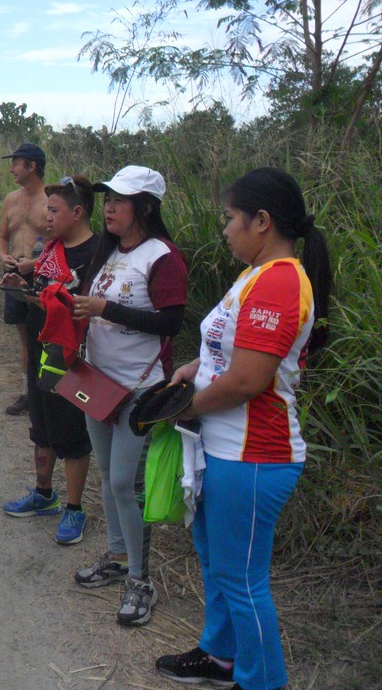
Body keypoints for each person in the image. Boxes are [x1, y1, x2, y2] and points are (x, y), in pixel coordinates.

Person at [155, 168, 332, 690]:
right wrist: (194, 368)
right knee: (217, 563)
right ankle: (220, 655)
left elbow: (249, 379)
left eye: (230, 218)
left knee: (243, 580)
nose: (225, 229)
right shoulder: (255, 274)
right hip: (227, 448)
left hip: (255, 456)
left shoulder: (279, 281)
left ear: (262, 221)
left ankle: (262, 681)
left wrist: (185, 408)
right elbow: (229, 353)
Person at [71, 165, 189, 627]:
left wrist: (107, 308)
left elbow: (171, 322)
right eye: (109, 199)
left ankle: (141, 580)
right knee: (107, 476)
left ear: (146, 208)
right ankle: (118, 557)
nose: (110, 207)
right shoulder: (108, 250)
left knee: (125, 483)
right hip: (96, 381)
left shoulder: (162, 257)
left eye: (120, 200)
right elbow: (90, 304)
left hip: (140, 388)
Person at [0, 176, 97, 545]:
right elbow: (43, 292)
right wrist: (24, 290)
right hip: (41, 349)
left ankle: (74, 507)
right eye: (47, 210)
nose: (47, 217)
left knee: (71, 431)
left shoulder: (97, 253)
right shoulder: (50, 249)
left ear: (78, 212)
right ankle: (44, 494)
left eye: (54, 211)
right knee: (40, 425)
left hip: (71, 357)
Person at [0, 143, 52, 416]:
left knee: (48, 335)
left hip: (45, 276)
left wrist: (37, 263)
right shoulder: (11, 199)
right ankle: (29, 393)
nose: (11, 169)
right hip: (15, 275)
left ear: (31, 166)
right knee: (25, 337)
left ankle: (49, 393)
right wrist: (3, 256)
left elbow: (63, 242)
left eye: (16, 163)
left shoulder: (52, 199)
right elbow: (1, 236)